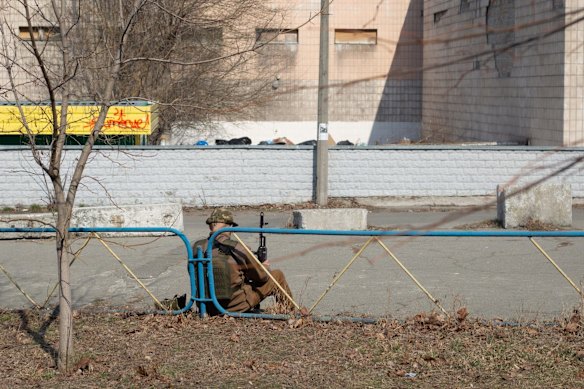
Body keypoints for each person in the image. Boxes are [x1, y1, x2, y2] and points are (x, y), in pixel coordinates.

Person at [194, 208, 294, 314]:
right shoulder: (237, 248)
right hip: (233, 306)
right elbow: (261, 277)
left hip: (206, 306)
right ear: (230, 226)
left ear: (210, 225)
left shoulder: (197, 246)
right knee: (277, 275)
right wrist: (264, 266)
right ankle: (290, 312)